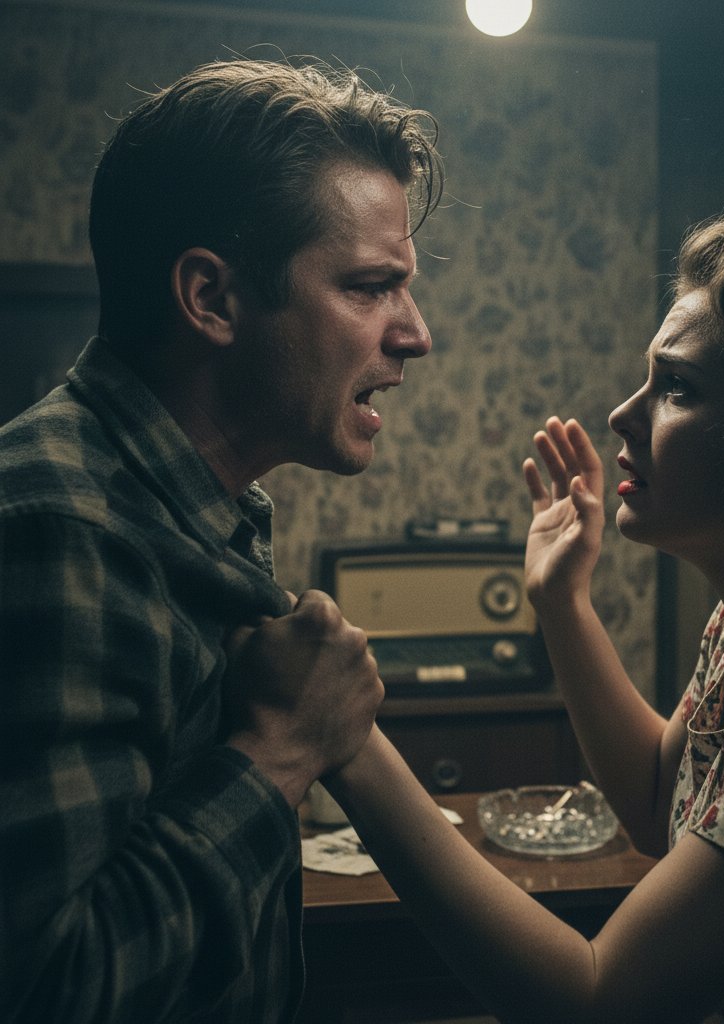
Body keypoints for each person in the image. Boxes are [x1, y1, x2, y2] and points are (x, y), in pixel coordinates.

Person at [233, 213, 724, 1022]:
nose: (622, 412)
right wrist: (560, 601)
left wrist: (347, 737)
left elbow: (599, 1002)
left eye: (676, 386)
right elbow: (655, 801)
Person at [0, 58, 441, 1023]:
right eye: (371, 287)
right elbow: (46, 990)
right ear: (211, 299)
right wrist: (282, 749)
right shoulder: (58, 528)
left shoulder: (188, 509)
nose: (415, 334)